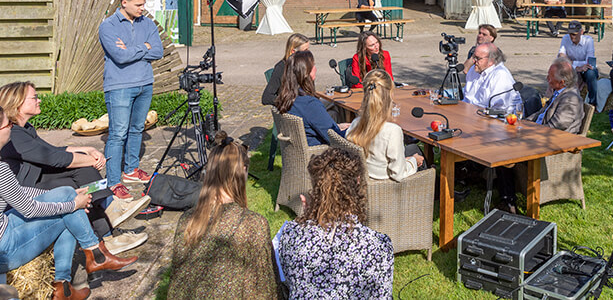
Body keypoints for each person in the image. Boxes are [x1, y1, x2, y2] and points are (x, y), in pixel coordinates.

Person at [0, 108, 136, 300]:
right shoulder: (0, 168)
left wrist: (65, 197)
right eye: (9, 125)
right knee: (68, 213)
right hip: (4, 250)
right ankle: (93, 254)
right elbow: (29, 210)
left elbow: (18, 193)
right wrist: (72, 205)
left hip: (4, 226)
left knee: (66, 193)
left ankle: (67, 283)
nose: (12, 129)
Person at [0, 82, 149, 255]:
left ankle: (109, 223)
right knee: (78, 180)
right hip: (24, 187)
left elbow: (51, 150)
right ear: (17, 102)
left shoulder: (24, 128)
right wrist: (89, 160)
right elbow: (54, 158)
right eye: (34, 97)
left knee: (84, 174)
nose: (39, 100)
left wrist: (87, 150)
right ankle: (106, 227)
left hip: (37, 177)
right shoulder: (14, 134)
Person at [167, 132, 279, 299]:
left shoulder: (187, 219)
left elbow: (177, 282)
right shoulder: (253, 224)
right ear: (243, 170)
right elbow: (264, 288)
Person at [277, 148, 393, 299]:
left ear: (316, 188)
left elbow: (291, 283)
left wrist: (306, 220)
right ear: (358, 182)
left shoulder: (291, 234)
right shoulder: (378, 246)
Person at [98, 0, 162, 200]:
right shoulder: (108, 26)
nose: (142, 8)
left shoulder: (148, 23)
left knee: (136, 129)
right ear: (124, 3)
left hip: (145, 83)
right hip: (120, 86)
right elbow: (119, 57)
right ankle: (114, 181)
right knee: (117, 134)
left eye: (143, 4)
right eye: (138, 5)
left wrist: (137, 49)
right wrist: (145, 47)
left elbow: (159, 51)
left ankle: (131, 170)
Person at [497, 58, 586, 213]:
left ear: (562, 82)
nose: (547, 79)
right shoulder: (560, 93)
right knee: (501, 143)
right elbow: (541, 113)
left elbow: (554, 128)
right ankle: (504, 196)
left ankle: (509, 201)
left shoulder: (571, 99)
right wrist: (522, 122)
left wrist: (528, 132)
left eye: (550, 77)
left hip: (553, 145)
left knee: (505, 153)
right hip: (540, 136)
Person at [346, 70, 424, 180]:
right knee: (417, 153)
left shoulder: (355, 124)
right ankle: (433, 191)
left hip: (363, 181)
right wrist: (413, 162)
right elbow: (398, 174)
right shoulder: (392, 131)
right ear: (390, 95)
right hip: (388, 188)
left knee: (412, 148)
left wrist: (406, 160)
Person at [275, 51, 346, 146]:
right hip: (320, 154)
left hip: (301, 151)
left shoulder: (285, 99)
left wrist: (339, 126)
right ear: (305, 72)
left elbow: (314, 126)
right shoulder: (309, 104)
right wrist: (354, 129)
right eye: (313, 66)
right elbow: (336, 139)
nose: (315, 69)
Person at [463, 44, 520, 111]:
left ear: (491, 60)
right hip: (471, 112)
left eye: (478, 58)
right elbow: (467, 98)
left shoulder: (500, 75)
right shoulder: (474, 69)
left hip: (496, 118)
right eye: (474, 57)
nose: (474, 61)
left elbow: (500, 109)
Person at [559, 21, 600, 110]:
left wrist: (572, 63)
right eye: (570, 34)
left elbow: (590, 61)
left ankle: (593, 104)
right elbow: (561, 57)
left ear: (581, 32)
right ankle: (561, 101)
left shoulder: (588, 40)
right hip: (573, 68)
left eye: (574, 34)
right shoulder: (565, 38)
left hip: (586, 68)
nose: (572, 36)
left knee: (591, 74)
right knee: (559, 70)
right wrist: (577, 67)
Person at [261, 33, 311, 106]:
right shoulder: (281, 68)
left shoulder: (303, 66)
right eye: (305, 50)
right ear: (293, 51)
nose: (308, 53)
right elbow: (266, 97)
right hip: (294, 109)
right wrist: (288, 103)